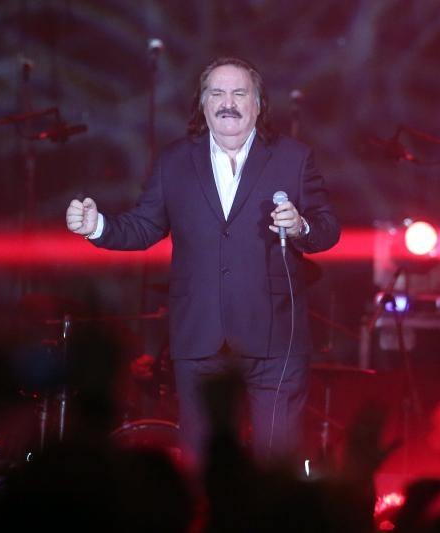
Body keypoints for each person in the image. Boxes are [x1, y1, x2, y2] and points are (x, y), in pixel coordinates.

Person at [65, 56, 340, 468]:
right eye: (217, 93)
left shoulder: (292, 157)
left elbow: (328, 228)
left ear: (259, 104)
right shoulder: (176, 160)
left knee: (275, 464)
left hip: (274, 338)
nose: (228, 103)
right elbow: (143, 226)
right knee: (203, 463)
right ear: (203, 104)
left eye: (239, 93)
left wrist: (300, 227)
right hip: (200, 338)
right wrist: (97, 226)